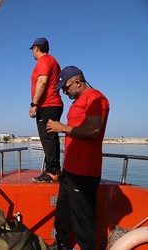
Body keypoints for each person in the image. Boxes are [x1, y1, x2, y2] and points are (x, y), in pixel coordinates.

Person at [46, 66, 110, 250]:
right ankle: (62, 245)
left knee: (83, 223)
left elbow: (94, 130)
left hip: (84, 171)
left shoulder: (97, 98)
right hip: (70, 171)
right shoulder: (78, 102)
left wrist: (62, 128)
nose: (64, 92)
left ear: (77, 82)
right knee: (63, 216)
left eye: (65, 88)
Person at [29, 37, 63, 183]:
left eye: (33, 50)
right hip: (54, 104)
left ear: (36, 48)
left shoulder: (43, 61)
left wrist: (33, 104)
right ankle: (55, 170)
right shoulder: (54, 61)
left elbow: (42, 81)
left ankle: (51, 172)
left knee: (48, 139)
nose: (33, 53)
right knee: (52, 138)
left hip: (47, 104)